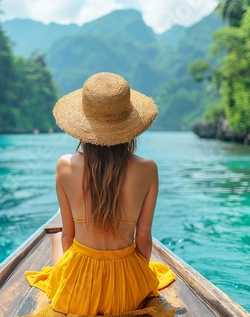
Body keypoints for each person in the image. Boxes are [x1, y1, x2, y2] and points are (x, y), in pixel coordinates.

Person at [24, 72, 176, 316]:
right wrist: (134, 282)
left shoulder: (64, 165)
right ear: (129, 127)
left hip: (78, 295)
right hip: (126, 298)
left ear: (84, 125)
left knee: (56, 239)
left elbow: (68, 238)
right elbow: (144, 240)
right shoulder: (148, 168)